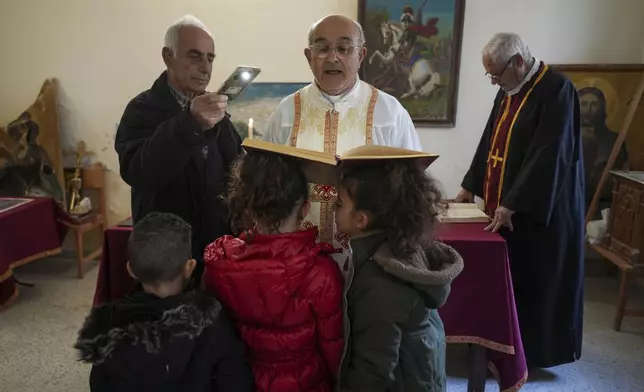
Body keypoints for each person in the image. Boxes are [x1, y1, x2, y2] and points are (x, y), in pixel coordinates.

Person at [455, 32, 585, 368]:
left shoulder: (557, 90)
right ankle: (501, 349)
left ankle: (535, 357)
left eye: (496, 74)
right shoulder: (509, 90)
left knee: (536, 286)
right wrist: (469, 186)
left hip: (542, 212)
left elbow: (549, 154)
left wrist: (514, 201)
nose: (494, 82)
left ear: (518, 62)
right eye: (490, 76)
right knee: (509, 284)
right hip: (506, 208)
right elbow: (490, 140)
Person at [263, 14, 422, 267]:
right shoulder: (285, 113)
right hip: (297, 261)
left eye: (344, 48)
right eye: (322, 48)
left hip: (371, 262)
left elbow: (411, 190)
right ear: (308, 56)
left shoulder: (390, 113)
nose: (333, 57)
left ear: (361, 55)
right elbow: (266, 187)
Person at [202, 146, 344, 392]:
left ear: (249, 208)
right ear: (304, 209)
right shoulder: (320, 272)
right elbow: (333, 348)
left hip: (243, 379)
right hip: (306, 381)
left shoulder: (220, 264)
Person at [114, 14, 242, 281]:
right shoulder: (141, 110)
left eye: (210, 58)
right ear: (168, 57)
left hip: (215, 250)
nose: (205, 67)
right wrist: (189, 124)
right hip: (165, 255)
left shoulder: (217, 113)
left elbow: (236, 170)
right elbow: (139, 172)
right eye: (194, 56)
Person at [74, 212, 255, 392]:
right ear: (190, 267)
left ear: (131, 270)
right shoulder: (214, 323)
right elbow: (237, 382)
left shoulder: (107, 328)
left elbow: (99, 385)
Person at [333, 148, 463, 391]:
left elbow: (374, 368)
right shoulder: (401, 247)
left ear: (362, 219)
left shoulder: (380, 281)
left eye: (340, 204)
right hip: (418, 373)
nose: (333, 210)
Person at [578, 87, 629, 216]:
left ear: (602, 108)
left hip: (600, 207)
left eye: (594, 104)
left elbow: (620, 178)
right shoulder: (563, 137)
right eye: (583, 104)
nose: (588, 109)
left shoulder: (614, 140)